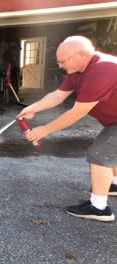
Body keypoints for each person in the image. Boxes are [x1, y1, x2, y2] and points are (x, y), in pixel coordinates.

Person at [18, 36, 117, 222]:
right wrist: (34, 108)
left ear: (81, 55)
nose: (60, 65)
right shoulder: (78, 70)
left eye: (63, 61)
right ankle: (114, 185)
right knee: (111, 148)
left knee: (100, 154)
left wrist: (44, 130)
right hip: (114, 121)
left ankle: (99, 208)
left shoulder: (103, 70)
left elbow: (76, 113)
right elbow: (57, 96)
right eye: (58, 61)